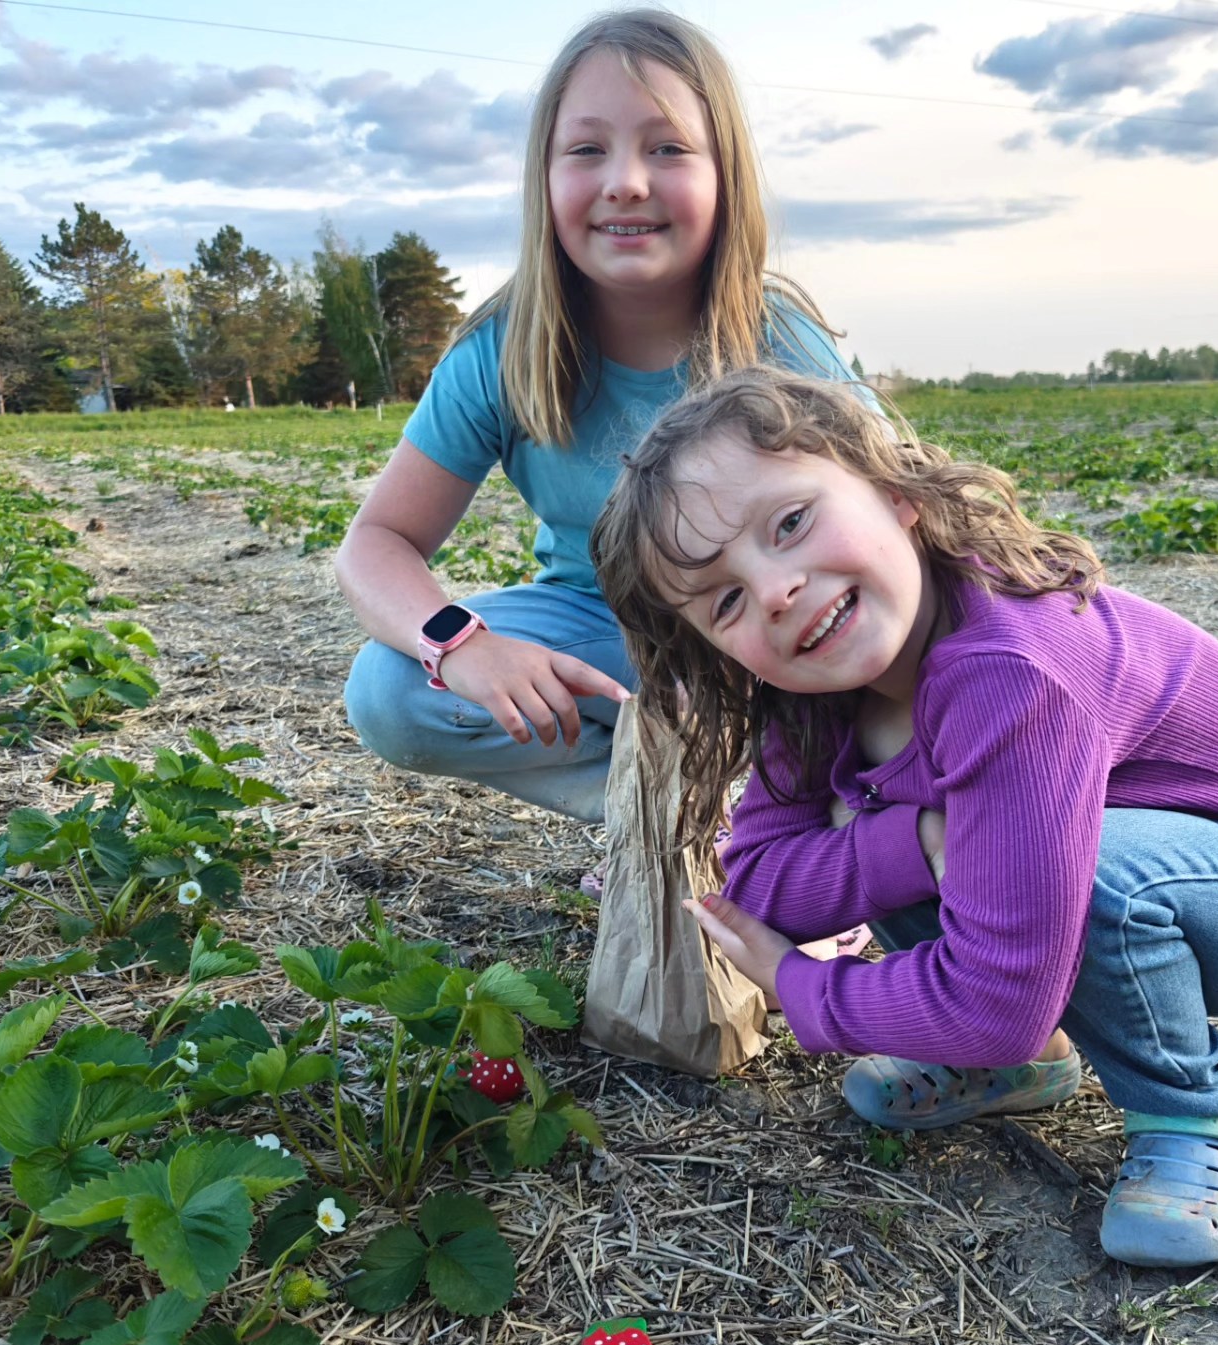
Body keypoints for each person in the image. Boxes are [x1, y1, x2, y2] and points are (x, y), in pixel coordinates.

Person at [591, 366, 1218, 1268]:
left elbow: (987, 996)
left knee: (1083, 872)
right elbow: (759, 880)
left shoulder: (1010, 668)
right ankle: (1025, 1062)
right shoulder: (814, 689)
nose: (774, 591)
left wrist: (806, 992)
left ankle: (1193, 1113)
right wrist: (915, 838)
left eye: (791, 523)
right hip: (1084, 862)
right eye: (724, 599)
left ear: (896, 495)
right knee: (929, 823)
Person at [336, 9, 868, 837]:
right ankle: (668, 817)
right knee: (391, 693)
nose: (626, 181)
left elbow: (904, 519)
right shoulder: (500, 354)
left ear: (725, 173)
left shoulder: (778, 340)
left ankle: (805, 822)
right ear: (543, 179)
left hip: (769, 624)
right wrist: (461, 645)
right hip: (604, 640)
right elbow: (376, 545)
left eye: (668, 147)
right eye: (587, 149)